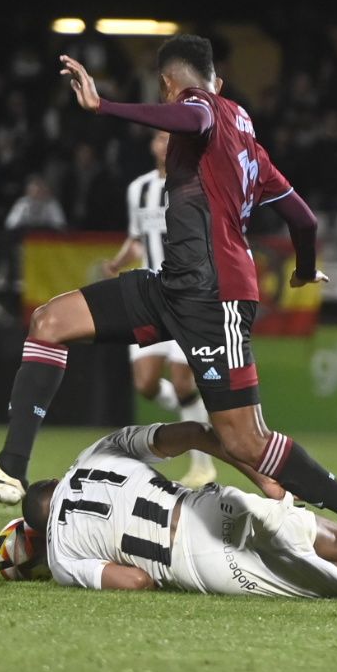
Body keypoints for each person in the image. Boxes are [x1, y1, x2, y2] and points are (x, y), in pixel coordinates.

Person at [0, 35, 337, 596]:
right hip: (173, 288)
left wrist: (105, 106)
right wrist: (304, 268)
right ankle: (10, 465)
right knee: (51, 321)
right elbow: (303, 219)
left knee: (246, 443)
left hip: (214, 299)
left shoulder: (204, 110)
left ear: (170, 84)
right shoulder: (249, 146)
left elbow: (190, 117)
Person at [10, 423, 337, 602]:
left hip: (196, 561)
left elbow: (132, 583)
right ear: (56, 480)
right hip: (212, 504)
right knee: (326, 537)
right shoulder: (96, 453)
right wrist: (256, 471)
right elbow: (195, 433)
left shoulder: (61, 553)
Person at [104, 130, 216, 488]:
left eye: (171, 138)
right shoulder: (139, 189)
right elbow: (137, 238)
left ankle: (203, 465)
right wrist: (119, 260)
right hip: (149, 296)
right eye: (158, 138)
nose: (163, 144)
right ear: (151, 145)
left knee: (184, 381)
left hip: (186, 298)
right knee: (146, 383)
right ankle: (199, 419)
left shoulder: (197, 184)